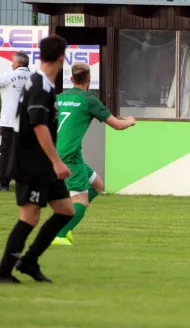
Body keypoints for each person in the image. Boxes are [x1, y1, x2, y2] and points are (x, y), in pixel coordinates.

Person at [0, 35, 74, 284]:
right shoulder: (39, 85)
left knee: (65, 210)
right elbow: (39, 125)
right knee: (29, 216)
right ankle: (4, 271)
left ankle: (29, 261)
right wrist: (57, 161)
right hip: (32, 163)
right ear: (61, 58)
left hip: (43, 164)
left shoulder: (42, 84)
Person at [51, 63, 136, 246]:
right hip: (69, 156)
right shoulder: (89, 100)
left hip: (57, 151)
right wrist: (129, 121)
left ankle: (69, 219)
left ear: (71, 79)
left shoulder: (58, 98)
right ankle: (60, 233)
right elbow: (117, 125)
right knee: (81, 200)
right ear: (89, 79)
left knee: (97, 184)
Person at [0, 51, 32, 191]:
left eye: (13, 61)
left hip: (8, 121)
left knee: (6, 152)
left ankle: (3, 183)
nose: (11, 64)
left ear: (18, 63)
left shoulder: (8, 76)